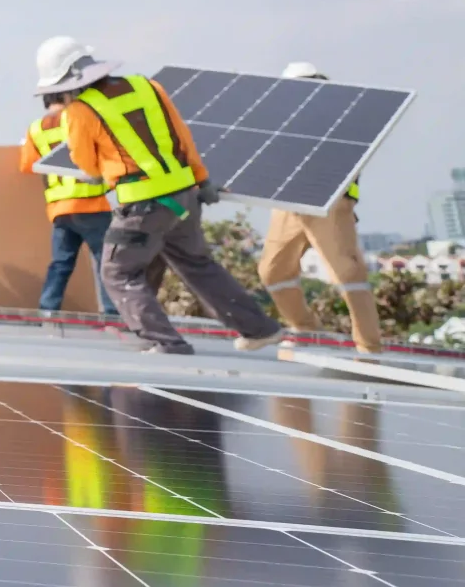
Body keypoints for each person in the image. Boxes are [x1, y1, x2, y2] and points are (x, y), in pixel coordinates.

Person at [38, 36, 285, 355]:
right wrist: (201, 178)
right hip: (183, 195)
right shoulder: (147, 87)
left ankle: (164, 341)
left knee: (117, 271)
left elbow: (87, 165)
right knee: (197, 265)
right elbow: (182, 135)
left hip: (142, 205)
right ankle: (261, 330)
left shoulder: (80, 112)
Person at [256, 62, 384, 352]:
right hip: (288, 204)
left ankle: (369, 346)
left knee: (347, 273)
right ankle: (306, 330)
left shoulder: (339, 120)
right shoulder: (283, 123)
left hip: (330, 203)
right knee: (272, 271)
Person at [19, 93, 113, 313]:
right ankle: (112, 312)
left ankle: (48, 311)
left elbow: (27, 165)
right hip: (91, 204)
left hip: (60, 208)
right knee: (105, 261)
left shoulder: (36, 128)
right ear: (68, 97)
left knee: (60, 264)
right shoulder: (79, 118)